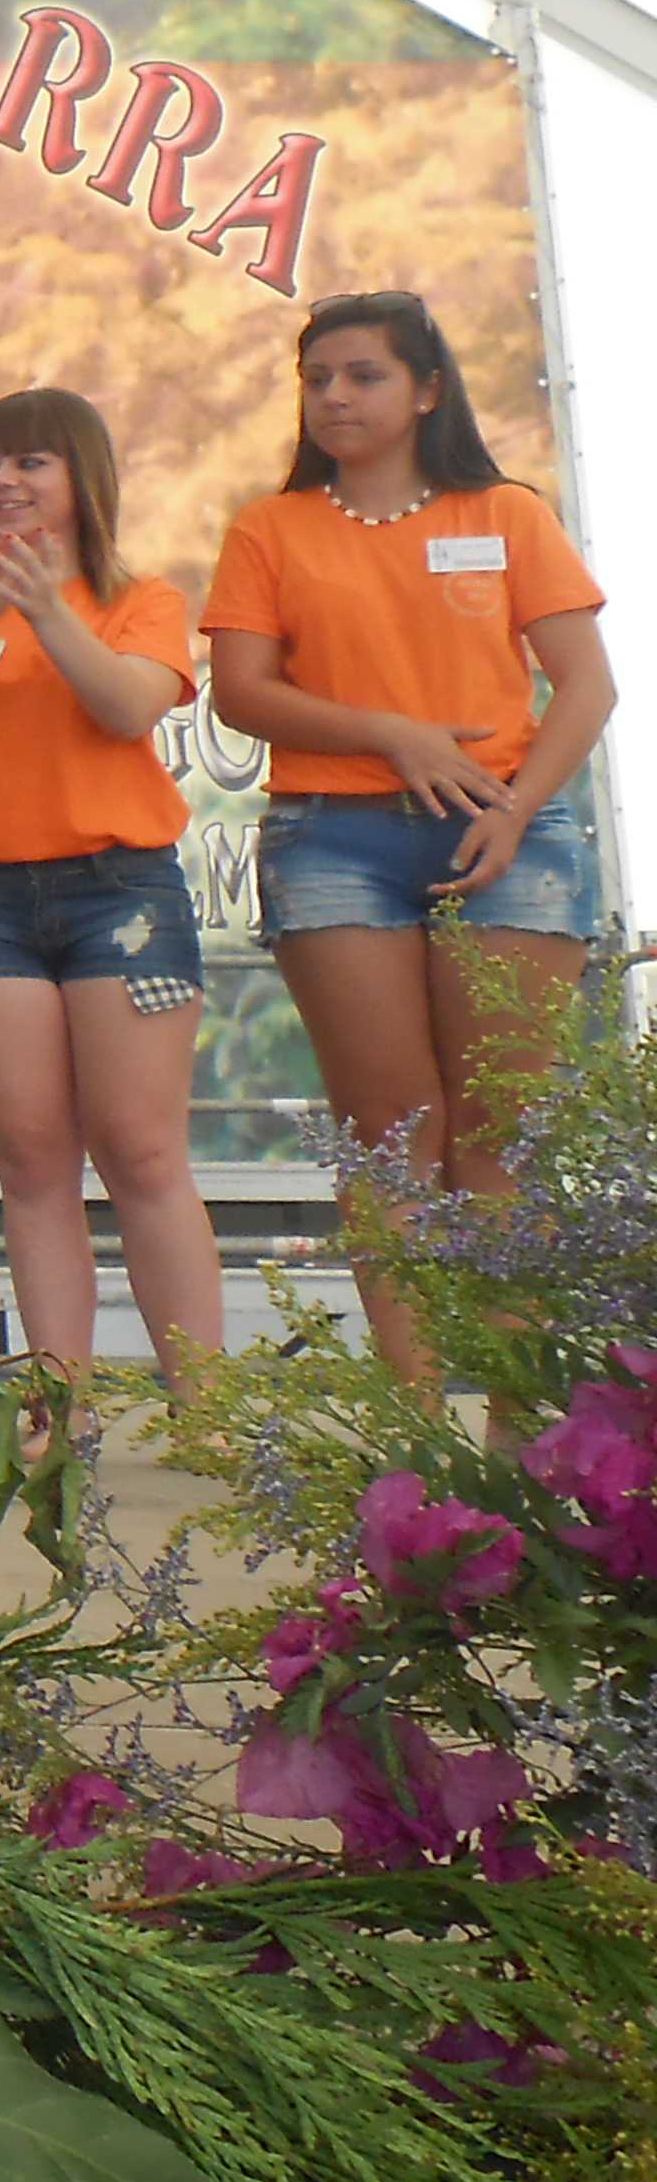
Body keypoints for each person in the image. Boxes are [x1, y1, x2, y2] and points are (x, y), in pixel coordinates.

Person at [204, 290, 614, 1388]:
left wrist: (515, 809)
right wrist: (392, 734)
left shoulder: (505, 513)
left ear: (428, 389)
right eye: (317, 379)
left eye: (364, 375)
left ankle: (523, 1422)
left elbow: (586, 687)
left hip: (508, 831)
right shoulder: (270, 528)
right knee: (392, 1130)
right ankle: (419, 1422)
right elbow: (241, 692)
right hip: (334, 839)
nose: (334, 397)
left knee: (503, 1130)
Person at [0, 389, 223, 1387]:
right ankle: (62, 1407)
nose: (4, 482)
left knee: (142, 1152)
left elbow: (127, 707)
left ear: (82, 478)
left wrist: (48, 608)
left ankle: (207, 1408)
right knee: (30, 1161)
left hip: (120, 894)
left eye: (31, 463)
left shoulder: (141, 600)